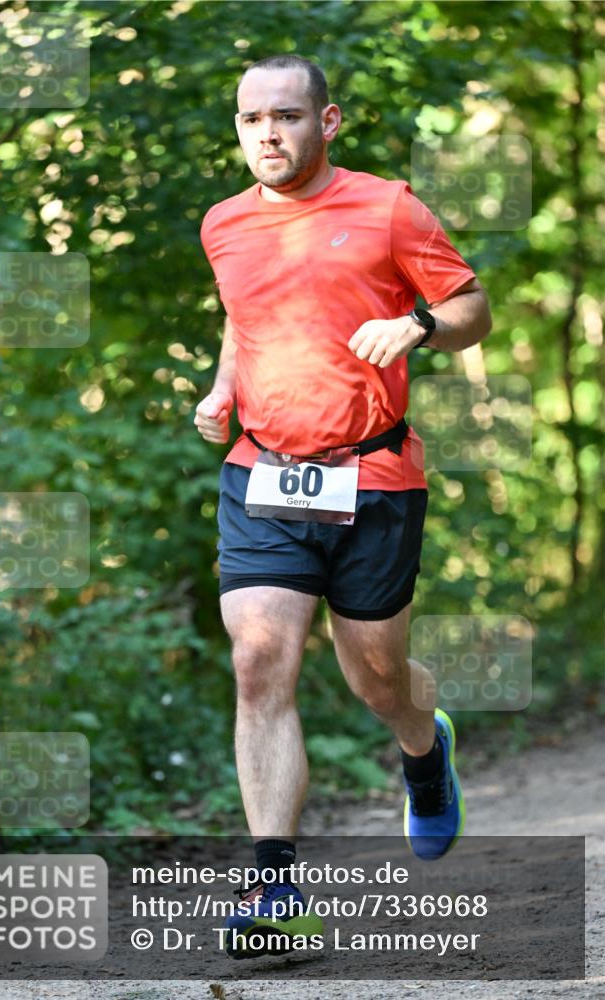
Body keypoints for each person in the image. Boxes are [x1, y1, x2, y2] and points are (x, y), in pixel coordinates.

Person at [195, 54, 492, 958]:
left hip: (373, 478)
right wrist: (221, 391)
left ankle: (422, 747)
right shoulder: (224, 224)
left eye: (287, 116)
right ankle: (274, 890)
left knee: (376, 680)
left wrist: (418, 324)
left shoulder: (389, 208)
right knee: (259, 662)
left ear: (327, 123)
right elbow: (242, 319)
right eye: (253, 120)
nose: (268, 135)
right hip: (263, 475)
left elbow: (472, 304)